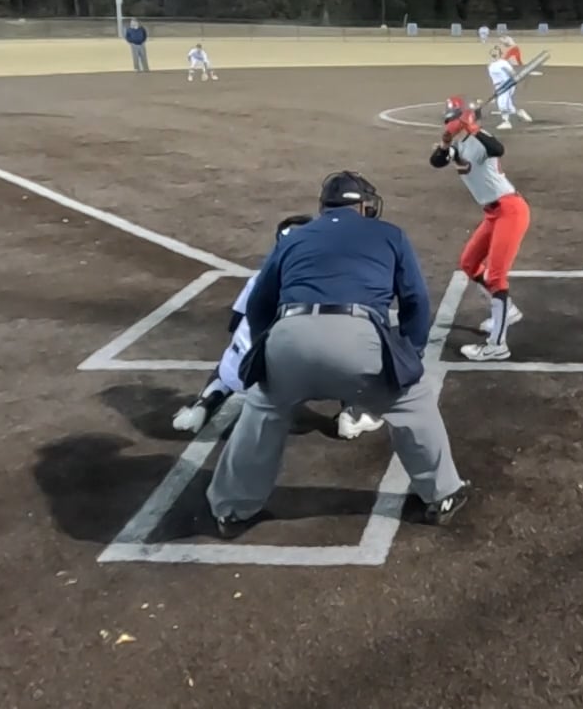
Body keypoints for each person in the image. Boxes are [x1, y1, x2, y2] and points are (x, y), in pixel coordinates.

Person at [207, 171, 469, 534]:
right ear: (364, 206)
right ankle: (442, 495)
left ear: (324, 206)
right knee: (411, 402)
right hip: (358, 338)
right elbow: (416, 301)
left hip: (290, 335)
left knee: (263, 409)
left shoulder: (295, 238)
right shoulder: (389, 234)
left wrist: (274, 346)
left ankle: (232, 509)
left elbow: (258, 304)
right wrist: (410, 354)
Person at [171, 216, 383, 440]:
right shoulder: (334, 280)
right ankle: (352, 414)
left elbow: (236, 322)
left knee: (234, 357)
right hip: (318, 373)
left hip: (252, 373)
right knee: (358, 351)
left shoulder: (260, 278)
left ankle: (204, 402)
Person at [432, 97, 532, 361]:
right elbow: (437, 161)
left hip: (510, 211)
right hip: (492, 214)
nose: (449, 124)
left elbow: (498, 148)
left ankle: (497, 345)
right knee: (469, 263)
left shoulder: (480, 138)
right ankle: (509, 310)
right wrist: (445, 142)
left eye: (452, 120)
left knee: (496, 277)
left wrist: (472, 127)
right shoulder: (459, 145)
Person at [486, 47, 531, 129]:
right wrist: (495, 92)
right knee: (509, 106)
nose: (494, 53)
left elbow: (512, 73)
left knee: (502, 103)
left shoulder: (503, 63)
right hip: (499, 86)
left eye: (496, 52)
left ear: (500, 54)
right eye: (493, 51)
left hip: (506, 85)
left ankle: (506, 122)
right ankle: (520, 112)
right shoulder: (491, 65)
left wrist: (517, 81)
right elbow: (494, 79)